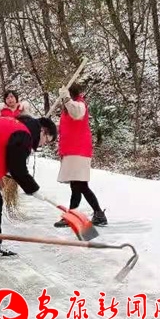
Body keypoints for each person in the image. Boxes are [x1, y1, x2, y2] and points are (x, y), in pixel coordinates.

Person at [0, 115, 57, 256]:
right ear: (43, 131)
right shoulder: (24, 134)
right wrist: (34, 189)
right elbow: (17, 169)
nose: (43, 145)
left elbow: (8, 156)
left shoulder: (18, 125)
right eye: (47, 140)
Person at [55, 83, 107, 227]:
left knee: (80, 185)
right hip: (71, 150)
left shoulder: (79, 105)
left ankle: (94, 213)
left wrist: (66, 99)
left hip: (79, 150)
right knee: (76, 185)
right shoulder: (67, 111)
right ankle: (77, 215)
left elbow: (77, 113)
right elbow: (65, 128)